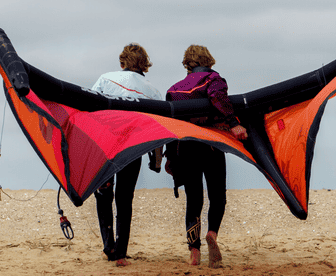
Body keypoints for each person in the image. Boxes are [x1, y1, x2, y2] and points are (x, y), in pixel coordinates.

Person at [164, 44, 247, 268]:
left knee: (194, 200)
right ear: (208, 60)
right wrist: (233, 123)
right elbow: (218, 98)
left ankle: (194, 252)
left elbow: (171, 126)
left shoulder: (174, 89)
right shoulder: (213, 79)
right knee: (217, 195)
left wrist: (170, 157)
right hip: (211, 146)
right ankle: (212, 233)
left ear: (187, 64)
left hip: (186, 148)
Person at [90, 43, 163, 267]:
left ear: (122, 62)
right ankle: (121, 254)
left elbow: (89, 111)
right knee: (124, 198)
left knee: (103, 194)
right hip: (133, 148)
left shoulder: (105, 79)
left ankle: (108, 247)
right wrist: (157, 161)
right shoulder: (152, 91)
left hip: (105, 145)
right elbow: (159, 128)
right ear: (144, 64)